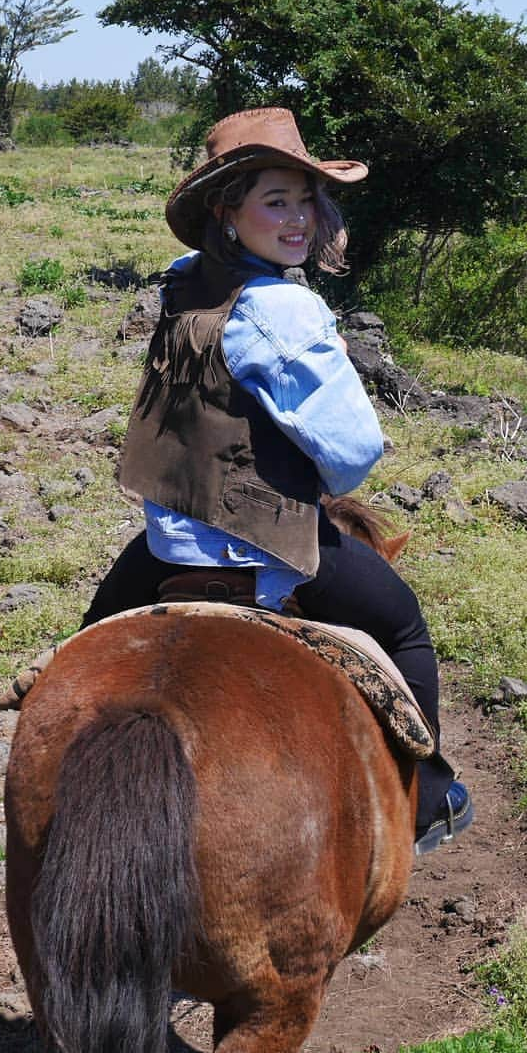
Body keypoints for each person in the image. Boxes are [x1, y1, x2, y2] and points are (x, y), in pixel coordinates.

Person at [83, 107, 473, 855]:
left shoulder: (184, 282)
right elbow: (355, 451)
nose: (298, 220)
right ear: (228, 212)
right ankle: (426, 797)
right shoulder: (285, 308)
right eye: (275, 201)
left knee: (84, 647)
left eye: (305, 200)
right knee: (401, 623)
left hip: (171, 545)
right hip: (263, 554)